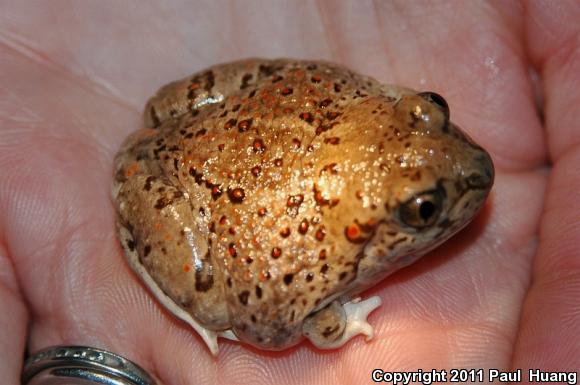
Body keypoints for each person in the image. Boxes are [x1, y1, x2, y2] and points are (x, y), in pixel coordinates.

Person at [1, 1, 579, 384]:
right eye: (424, 210)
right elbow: (271, 323)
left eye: (433, 115)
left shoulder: (356, 95)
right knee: (213, 298)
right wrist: (336, 326)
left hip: (218, 119)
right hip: (187, 190)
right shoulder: (328, 256)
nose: (470, 158)